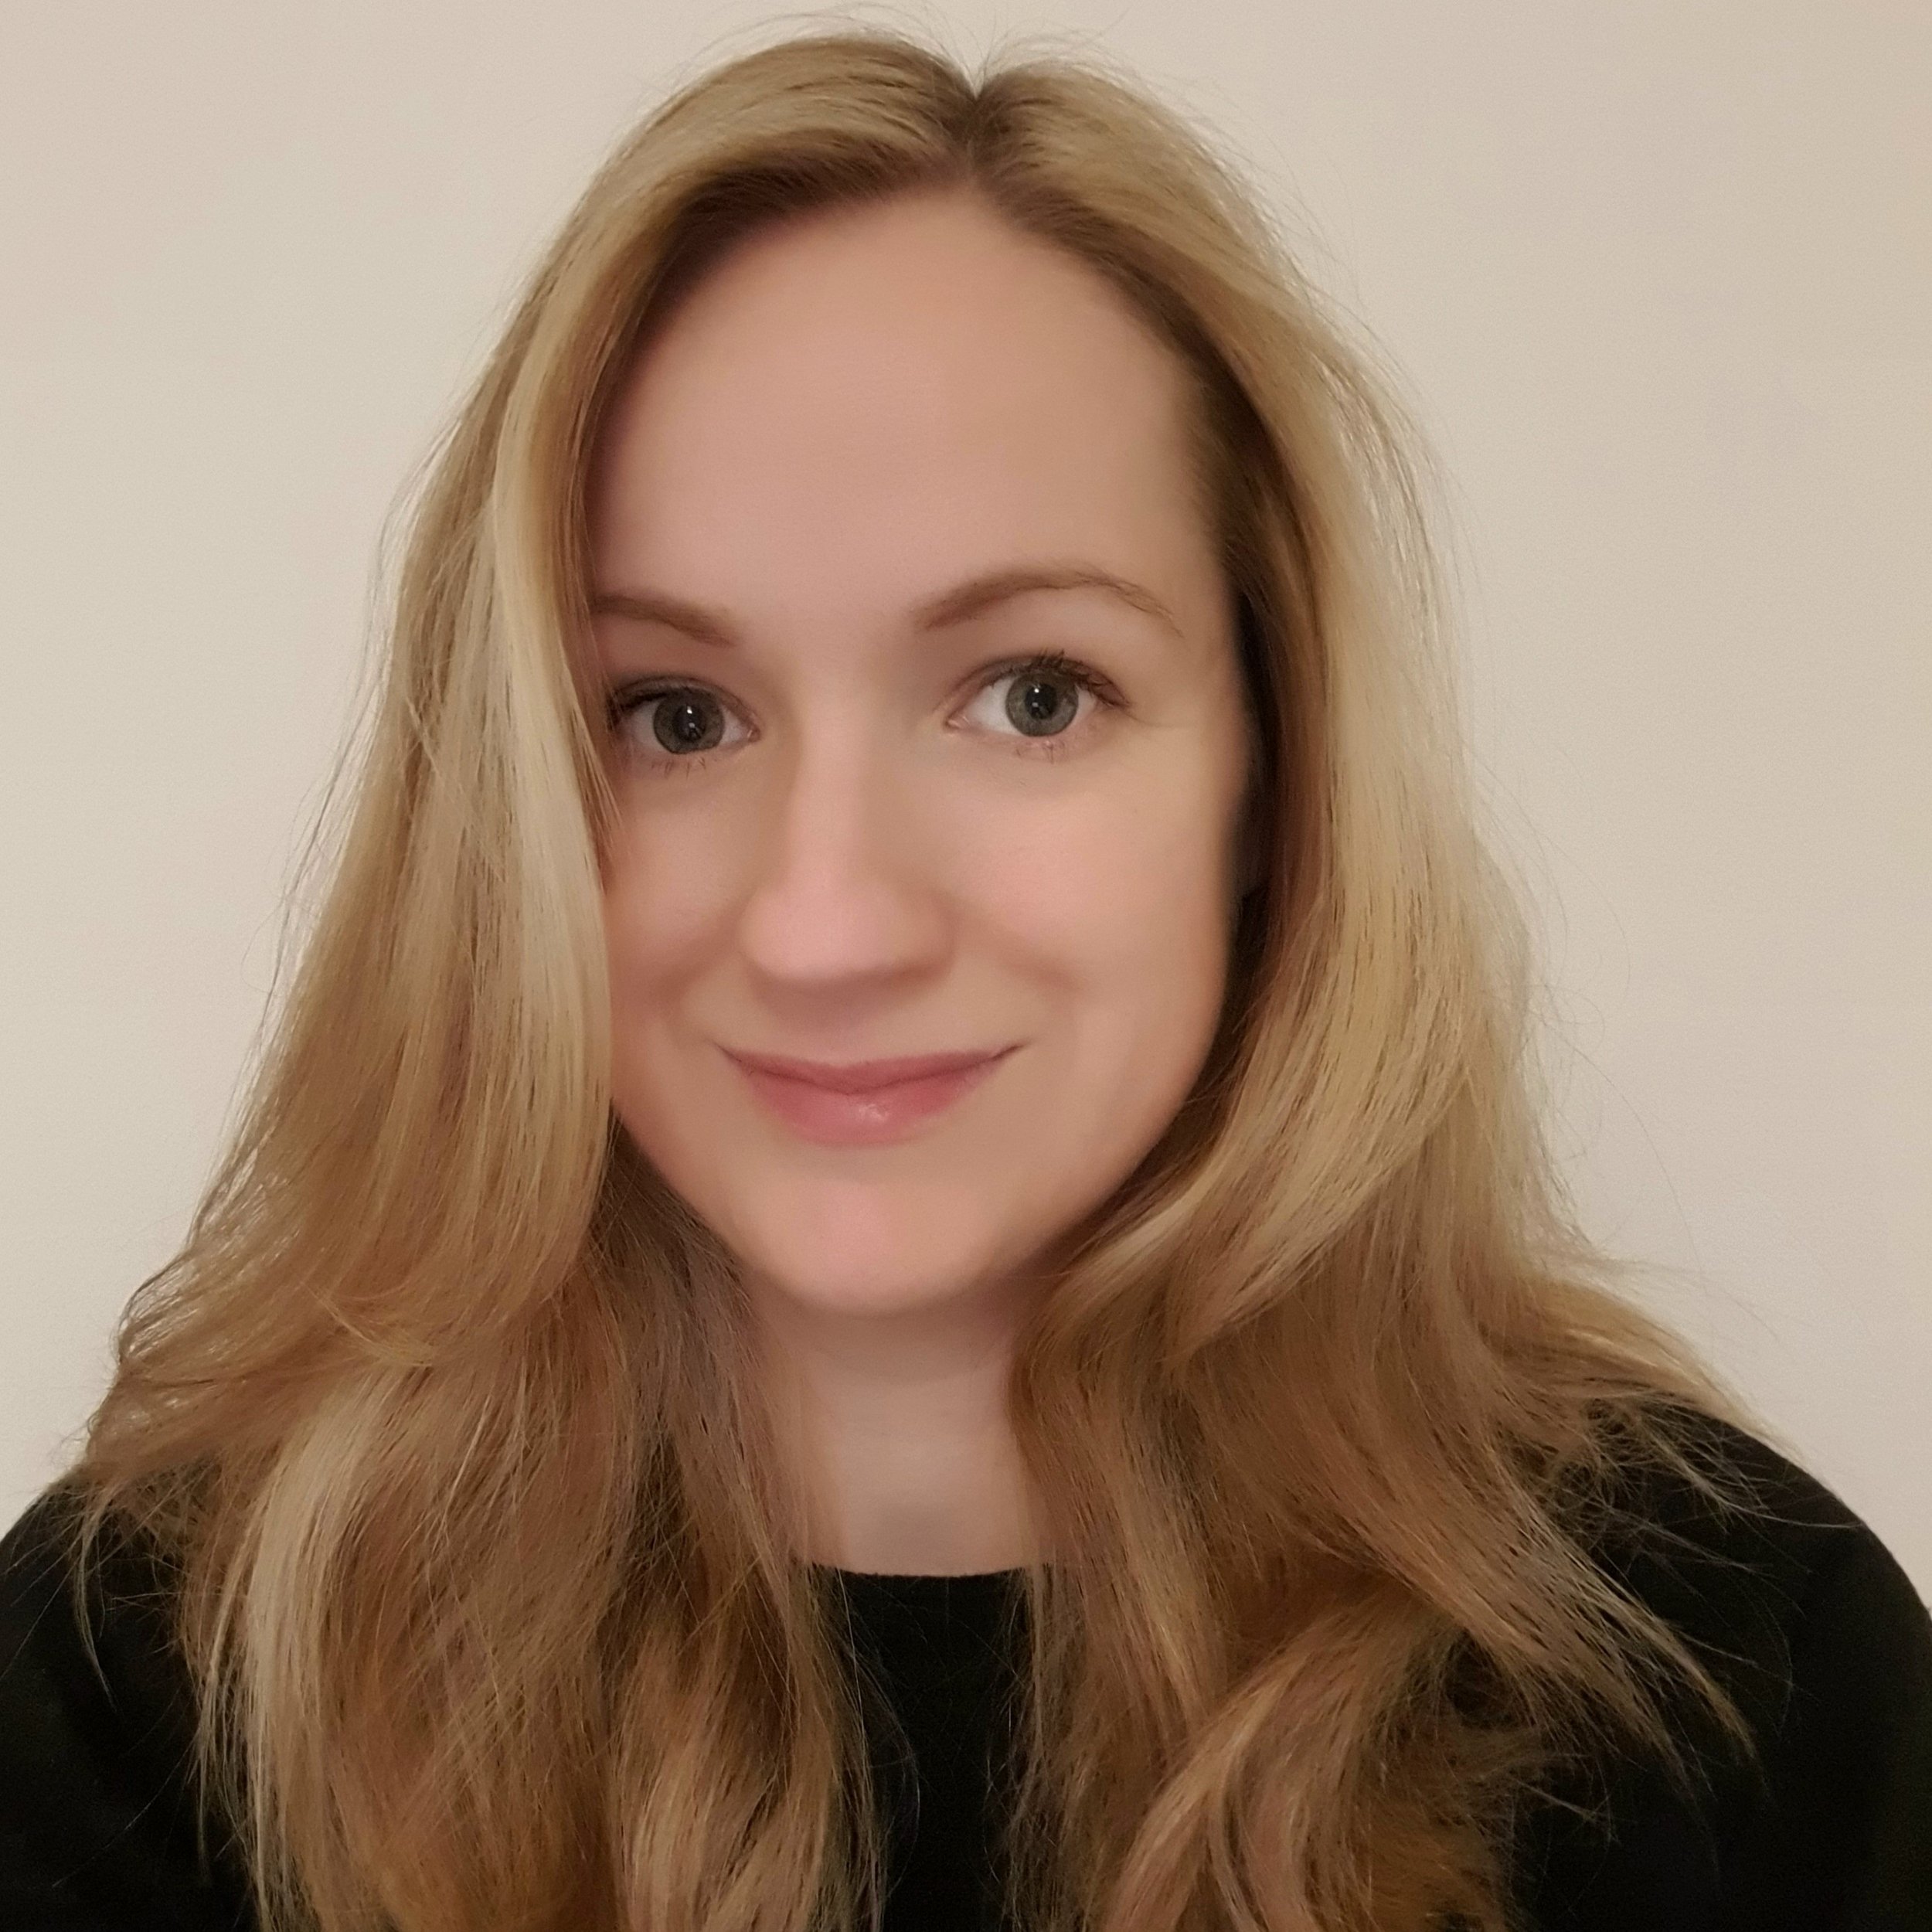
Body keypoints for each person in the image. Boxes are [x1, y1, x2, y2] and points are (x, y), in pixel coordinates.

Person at [2, 25, 1927, 1932]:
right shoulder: (138, 1691)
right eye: (674, 714)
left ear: (1278, 763)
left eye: (1029, 695)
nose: (823, 923)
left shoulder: (1734, 1684)